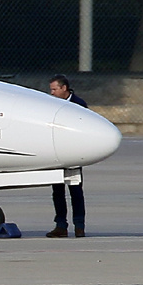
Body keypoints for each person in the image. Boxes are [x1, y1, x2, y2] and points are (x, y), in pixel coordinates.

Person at [47, 74, 88, 238]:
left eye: (54, 89)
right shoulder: (50, 104)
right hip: (56, 155)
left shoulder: (79, 105)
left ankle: (79, 225)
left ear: (64, 88)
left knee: (76, 191)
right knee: (57, 192)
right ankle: (61, 225)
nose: (52, 93)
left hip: (73, 155)